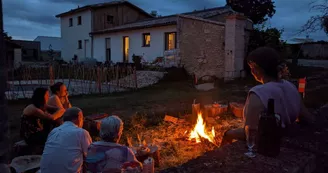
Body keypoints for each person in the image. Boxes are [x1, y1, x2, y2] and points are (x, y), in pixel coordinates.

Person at [221, 47, 314, 146]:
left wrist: (228, 134)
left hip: (270, 148)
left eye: (251, 67)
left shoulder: (258, 93)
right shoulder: (291, 87)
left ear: (255, 69)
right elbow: (307, 118)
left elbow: (250, 133)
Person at [40, 107, 92, 173]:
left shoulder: (54, 131)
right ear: (79, 117)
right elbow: (91, 156)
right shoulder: (81, 132)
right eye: (82, 118)